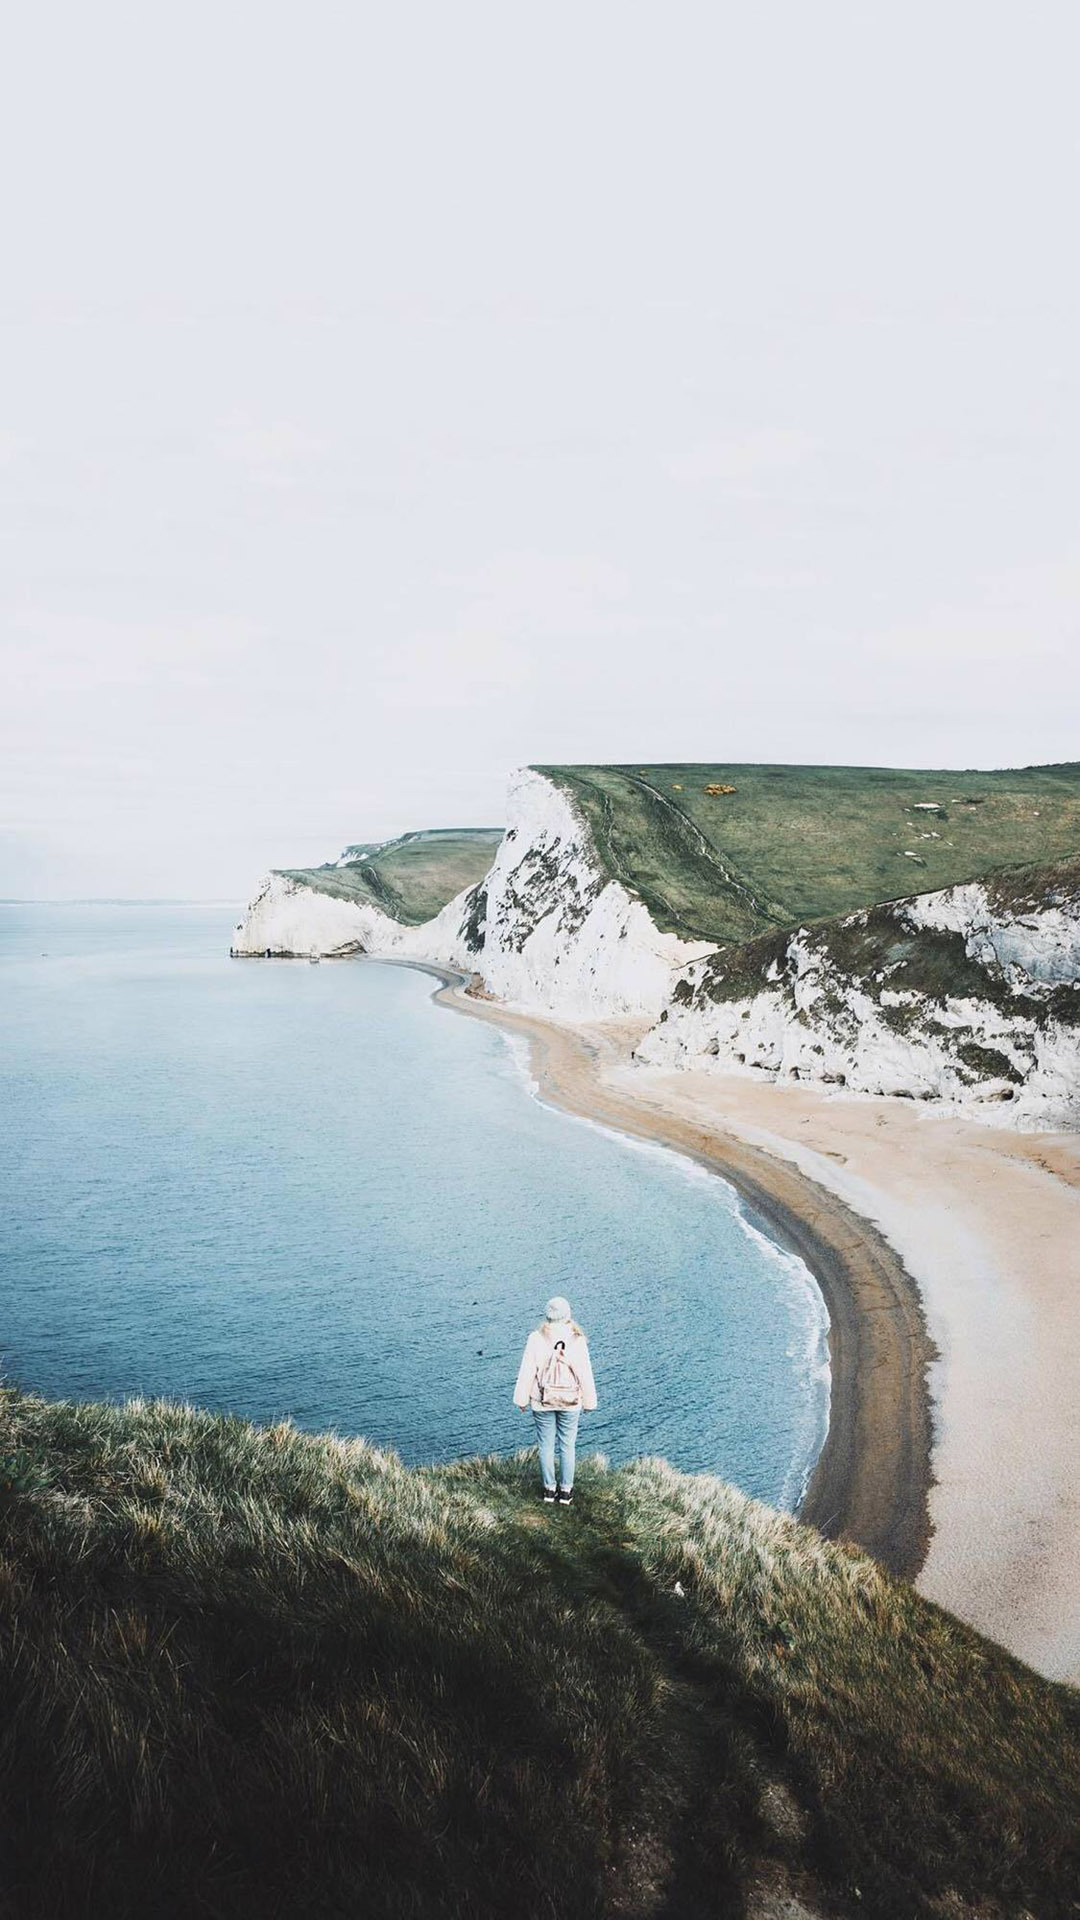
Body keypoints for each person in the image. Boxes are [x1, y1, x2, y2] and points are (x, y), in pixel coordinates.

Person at [513, 1295, 597, 1505]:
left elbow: (527, 1371)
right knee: (568, 1445)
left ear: (547, 1315)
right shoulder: (577, 1338)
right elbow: (585, 1373)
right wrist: (589, 1402)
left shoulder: (535, 1337)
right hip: (570, 1401)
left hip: (542, 1401)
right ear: (567, 1314)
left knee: (546, 1445)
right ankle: (566, 1492)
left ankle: (549, 1491)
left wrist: (521, 1399)